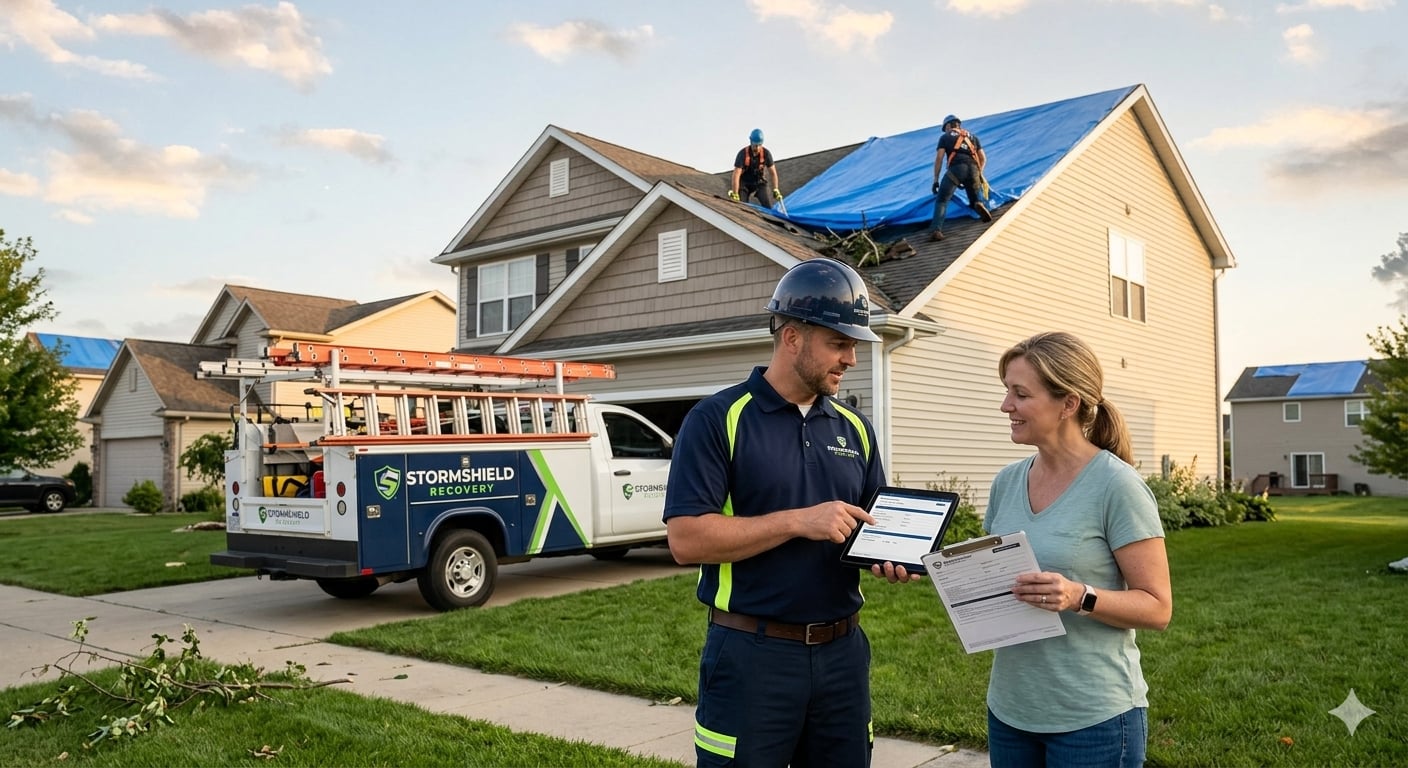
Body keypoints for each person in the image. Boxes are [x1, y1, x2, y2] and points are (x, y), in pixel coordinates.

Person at [664, 258, 902, 767]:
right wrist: (799, 520)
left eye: (854, 345)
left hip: (843, 655)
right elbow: (686, 540)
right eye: (840, 344)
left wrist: (892, 556)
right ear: (792, 337)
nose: (852, 359)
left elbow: (871, 526)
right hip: (752, 655)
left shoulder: (854, 429)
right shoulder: (716, 419)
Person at [983, 331, 1173, 767]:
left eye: (1020, 394)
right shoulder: (1007, 482)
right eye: (1006, 392)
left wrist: (1078, 596)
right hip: (1012, 711)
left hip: (1094, 718)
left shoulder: (1117, 486)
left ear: (1068, 403)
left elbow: (1158, 608)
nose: (1005, 406)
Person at [929, 114, 991, 242]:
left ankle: (936, 230)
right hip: (973, 169)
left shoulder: (945, 137)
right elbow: (983, 158)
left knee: (942, 200)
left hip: (957, 169)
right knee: (974, 199)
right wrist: (979, 173)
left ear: (948, 125)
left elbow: (939, 159)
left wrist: (936, 179)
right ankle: (978, 203)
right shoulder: (973, 137)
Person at [730, 128, 783, 209]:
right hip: (744, 183)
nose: (757, 148)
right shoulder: (743, 154)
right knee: (741, 206)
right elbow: (736, 175)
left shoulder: (766, 154)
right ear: (751, 142)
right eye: (755, 145)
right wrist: (735, 193)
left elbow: (773, 173)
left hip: (759, 182)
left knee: (768, 206)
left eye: (759, 145)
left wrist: (775, 189)